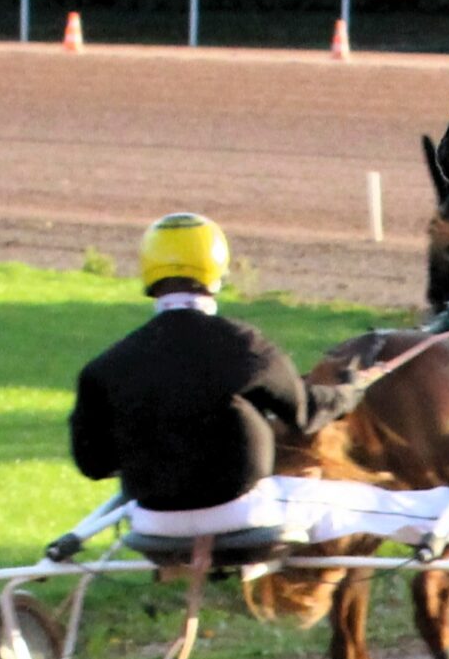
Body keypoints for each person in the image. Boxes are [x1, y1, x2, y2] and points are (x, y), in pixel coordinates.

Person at [68, 214, 346, 536]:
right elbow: (304, 412)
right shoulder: (245, 346)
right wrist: (349, 392)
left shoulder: (105, 367)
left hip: (152, 523)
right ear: (217, 269)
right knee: (360, 499)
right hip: (241, 515)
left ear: (149, 270)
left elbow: (94, 463)